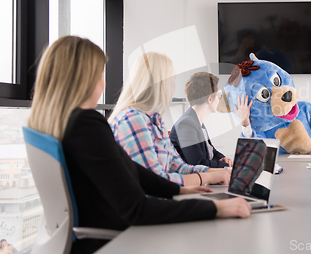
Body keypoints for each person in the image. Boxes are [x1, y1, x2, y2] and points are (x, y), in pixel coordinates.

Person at [27, 36, 251, 254]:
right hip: (112, 240)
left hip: (89, 236)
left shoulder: (62, 124)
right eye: (101, 73)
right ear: (85, 79)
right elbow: (137, 208)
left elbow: (133, 171)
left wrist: (177, 189)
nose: (103, 81)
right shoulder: (86, 125)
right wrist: (216, 208)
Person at [109, 52, 230, 186]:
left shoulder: (156, 121)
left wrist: (218, 172)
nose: (174, 85)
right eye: (172, 79)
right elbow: (155, 182)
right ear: (160, 83)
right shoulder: (134, 120)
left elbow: (179, 167)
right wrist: (207, 177)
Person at [170, 72, 234, 167]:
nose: (218, 99)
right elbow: (199, 164)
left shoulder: (196, 121)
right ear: (209, 99)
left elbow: (211, 151)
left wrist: (224, 158)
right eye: (218, 95)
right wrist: (225, 165)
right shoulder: (186, 124)